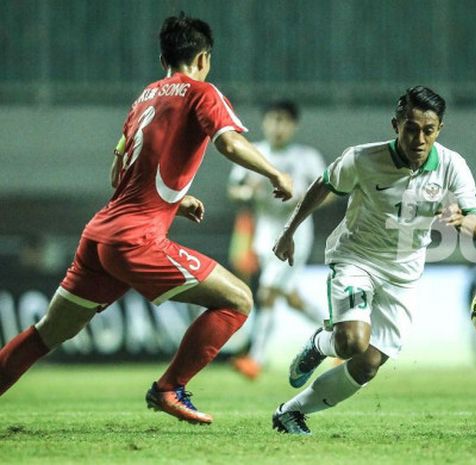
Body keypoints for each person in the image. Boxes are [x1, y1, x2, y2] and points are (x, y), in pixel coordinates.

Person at [0, 13, 293, 425]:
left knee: (47, 332)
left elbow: (118, 175)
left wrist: (177, 198)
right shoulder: (201, 92)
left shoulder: (144, 99)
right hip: (136, 240)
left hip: (99, 235)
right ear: (204, 58)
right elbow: (228, 143)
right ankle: (169, 387)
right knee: (239, 300)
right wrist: (273, 172)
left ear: (163, 59)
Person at [270, 86, 476, 435]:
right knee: (351, 342)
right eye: (411, 128)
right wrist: (288, 231)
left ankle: (290, 413)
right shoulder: (363, 159)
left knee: (367, 365)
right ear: (396, 125)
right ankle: (320, 344)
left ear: (439, 129)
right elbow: (322, 185)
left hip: (404, 273)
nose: (419, 138)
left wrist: (467, 222)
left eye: (428, 130)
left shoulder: (452, 166)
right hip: (356, 258)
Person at [227, 100, 327, 380]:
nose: (277, 127)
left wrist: (304, 202)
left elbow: (331, 191)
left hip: (295, 234)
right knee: (290, 298)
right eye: (273, 120)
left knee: (268, 292)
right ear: (264, 122)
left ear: (293, 125)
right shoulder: (255, 152)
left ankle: (255, 359)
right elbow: (234, 189)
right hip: (264, 234)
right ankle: (336, 334)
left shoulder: (306, 157)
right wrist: (246, 193)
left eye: (284, 120)